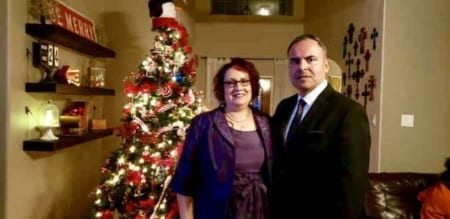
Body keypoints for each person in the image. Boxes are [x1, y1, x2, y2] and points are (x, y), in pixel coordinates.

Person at [271, 34, 371, 219]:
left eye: (311, 59)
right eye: (295, 61)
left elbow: (352, 184)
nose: (302, 67)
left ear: (325, 66)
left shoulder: (348, 111)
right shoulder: (284, 107)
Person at [170, 58, 272, 219]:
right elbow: (185, 179)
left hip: (259, 209)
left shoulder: (268, 123)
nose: (238, 87)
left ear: (252, 85)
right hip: (216, 210)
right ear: (221, 88)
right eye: (230, 82)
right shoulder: (203, 124)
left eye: (244, 81)